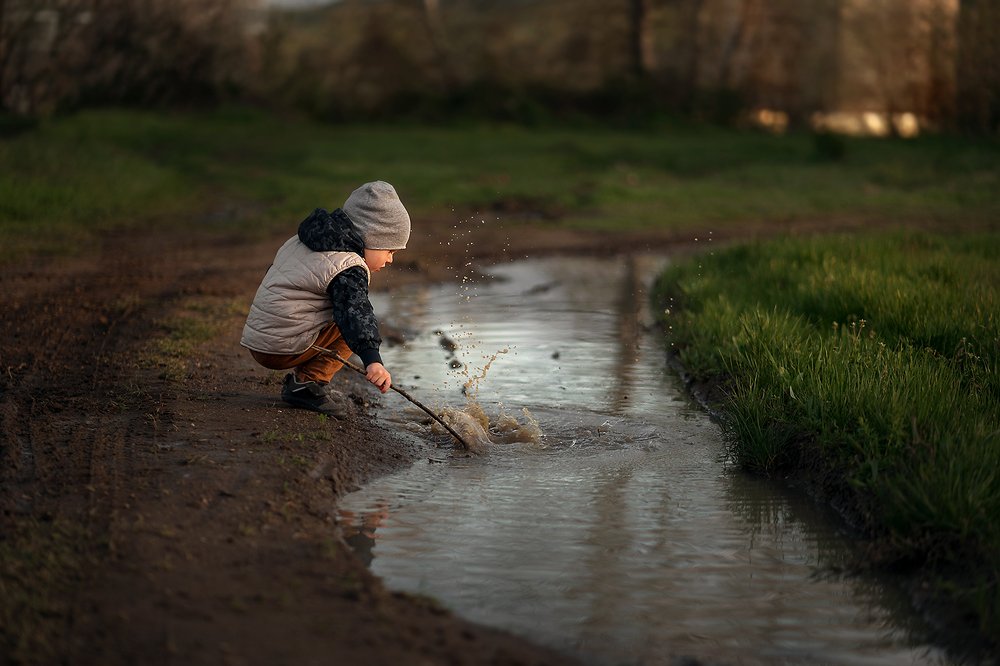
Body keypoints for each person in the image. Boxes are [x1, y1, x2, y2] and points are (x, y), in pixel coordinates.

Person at [240, 180, 409, 417]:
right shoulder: (348, 266)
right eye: (389, 250)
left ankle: (304, 383)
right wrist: (373, 360)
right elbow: (356, 315)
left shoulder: (305, 239)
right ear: (370, 237)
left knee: (342, 307)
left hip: (259, 336)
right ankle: (307, 384)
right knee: (350, 318)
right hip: (281, 346)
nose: (390, 259)